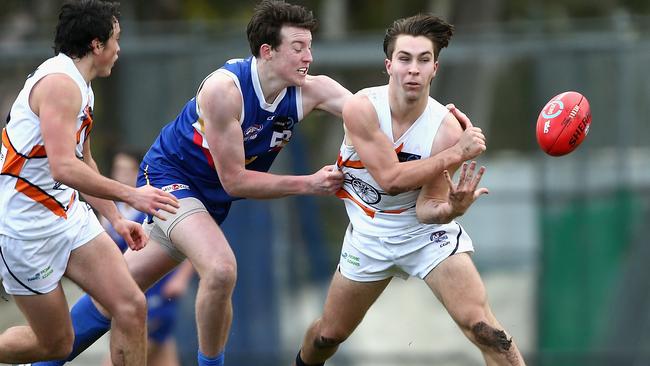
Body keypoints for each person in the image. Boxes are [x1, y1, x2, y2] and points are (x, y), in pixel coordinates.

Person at [34, 2, 485, 366]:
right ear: (267, 52)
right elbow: (234, 182)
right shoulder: (224, 90)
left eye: (310, 47)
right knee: (222, 268)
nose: (309, 57)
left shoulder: (313, 89)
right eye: (298, 48)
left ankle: (42, 362)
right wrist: (309, 183)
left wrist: (441, 126)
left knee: (120, 293)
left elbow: (378, 120)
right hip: (173, 182)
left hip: (207, 200)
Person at [294, 14, 526, 366]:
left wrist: (453, 209)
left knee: (485, 330)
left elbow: (428, 207)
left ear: (435, 68)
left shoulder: (446, 130)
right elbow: (389, 179)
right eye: (404, 59)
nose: (413, 69)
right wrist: (457, 154)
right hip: (369, 235)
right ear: (389, 65)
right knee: (328, 336)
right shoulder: (361, 108)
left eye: (423, 60)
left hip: (424, 235)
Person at [0, 1, 179, 365]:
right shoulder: (60, 85)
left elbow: (85, 162)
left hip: (69, 216)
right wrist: (133, 195)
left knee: (131, 306)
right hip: (25, 231)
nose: (119, 49)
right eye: (115, 39)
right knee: (55, 345)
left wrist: (116, 218)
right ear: (96, 45)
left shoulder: (82, 86)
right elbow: (63, 167)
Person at [99, 148, 195, 366]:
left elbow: (189, 243)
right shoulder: (108, 210)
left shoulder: (155, 206)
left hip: (157, 293)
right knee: (163, 356)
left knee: (124, 357)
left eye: (127, 170)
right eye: (117, 169)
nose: (121, 174)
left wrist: (181, 279)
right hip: (124, 291)